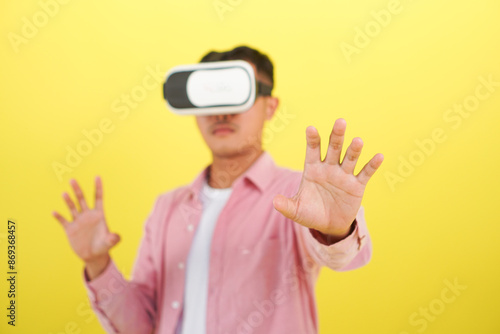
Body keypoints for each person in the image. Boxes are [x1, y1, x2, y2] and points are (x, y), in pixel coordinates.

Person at [52, 45, 384, 334]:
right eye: (210, 95)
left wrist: (337, 230)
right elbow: (140, 326)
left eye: (237, 92)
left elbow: (348, 259)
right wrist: (98, 264)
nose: (222, 112)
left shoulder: (299, 196)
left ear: (270, 106)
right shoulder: (167, 208)